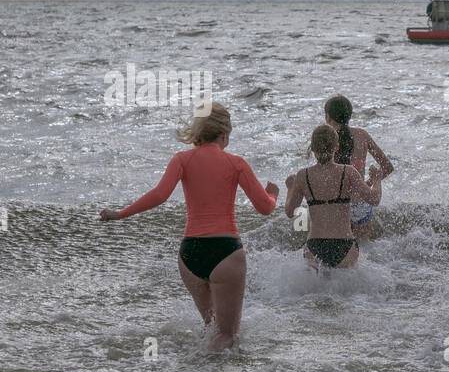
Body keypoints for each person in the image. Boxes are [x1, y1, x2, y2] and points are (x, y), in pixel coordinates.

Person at [99, 103, 279, 352]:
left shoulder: (181, 159)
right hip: (225, 252)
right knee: (227, 335)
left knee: (212, 328)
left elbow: (160, 195)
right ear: (224, 134)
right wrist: (273, 194)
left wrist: (121, 213)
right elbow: (264, 208)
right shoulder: (236, 163)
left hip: (190, 255)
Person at [285, 125, 383, 269]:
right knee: (348, 291)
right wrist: (377, 180)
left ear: (312, 149)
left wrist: (290, 188)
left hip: (314, 245)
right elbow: (374, 199)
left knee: (316, 291)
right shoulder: (348, 171)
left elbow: (290, 212)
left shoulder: (302, 175)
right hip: (345, 244)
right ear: (336, 147)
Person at [321, 94, 393, 241]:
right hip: (360, 204)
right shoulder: (362, 135)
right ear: (349, 116)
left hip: (336, 206)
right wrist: (367, 184)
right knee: (363, 256)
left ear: (328, 117)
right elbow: (387, 167)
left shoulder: (325, 139)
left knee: (338, 255)